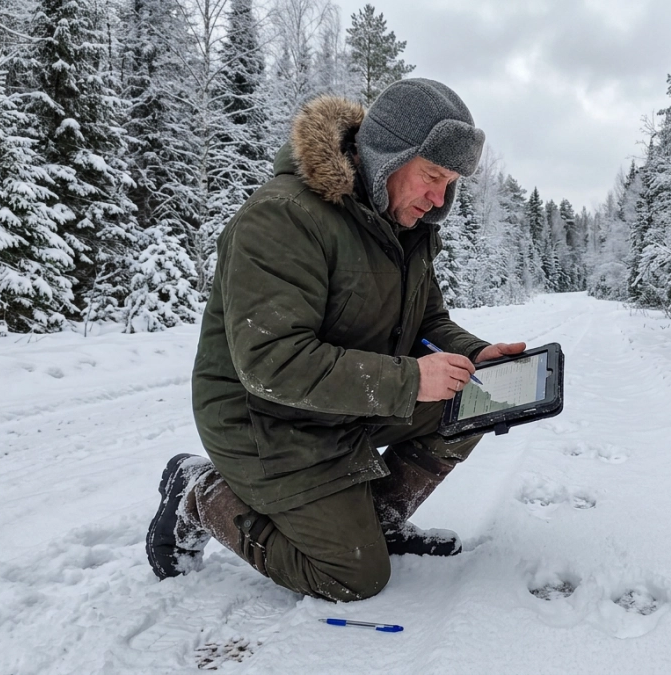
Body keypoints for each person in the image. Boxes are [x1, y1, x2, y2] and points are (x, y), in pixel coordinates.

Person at [145, 78, 525, 603]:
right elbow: (271, 363)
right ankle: (197, 491)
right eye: (432, 176)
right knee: (354, 577)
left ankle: (377, 520)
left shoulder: (404, 226)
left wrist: (474, 354)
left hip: (339, 403)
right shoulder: (284, 217)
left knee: (474, 403)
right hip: (264, 420)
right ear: (389, 155)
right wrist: (412, 379)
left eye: (451, 182)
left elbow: (426, 320)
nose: (440, 199)